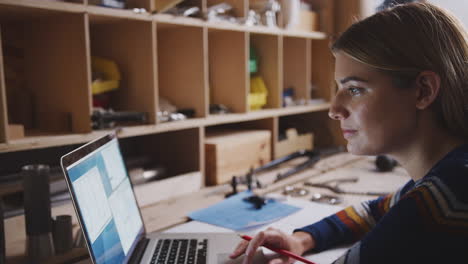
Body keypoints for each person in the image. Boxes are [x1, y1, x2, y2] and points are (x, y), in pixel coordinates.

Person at [229, 2, 468, 264]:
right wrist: (301, 239)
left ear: (423, 90)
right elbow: (375, 210)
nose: (334, 109)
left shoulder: (440, 202)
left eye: (354, 89)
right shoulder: (446, 177)